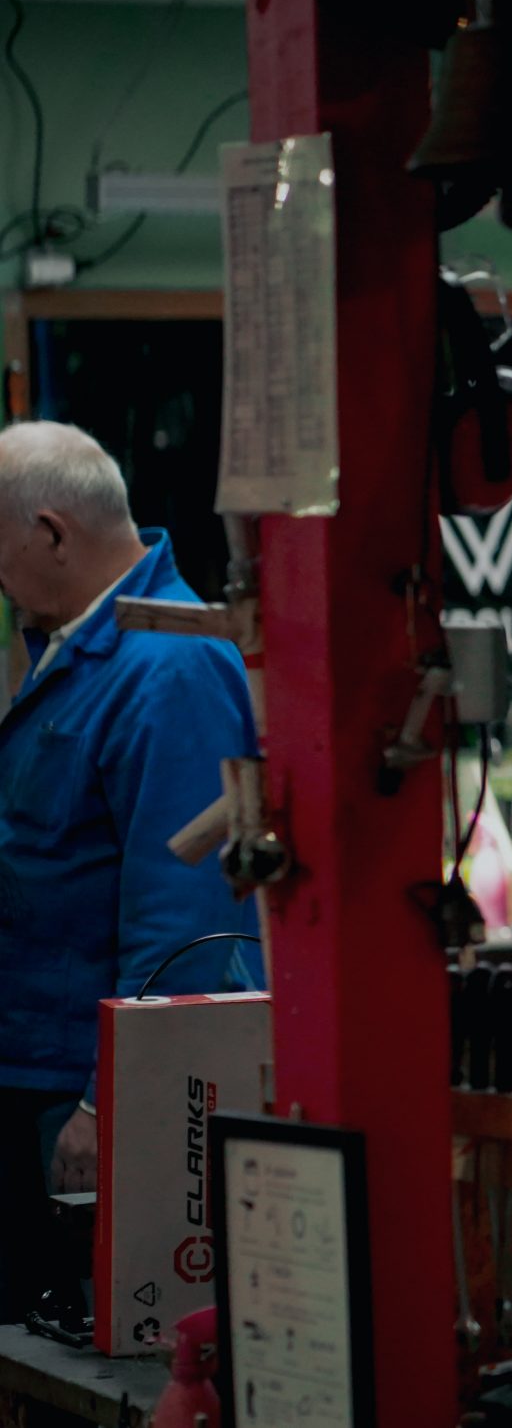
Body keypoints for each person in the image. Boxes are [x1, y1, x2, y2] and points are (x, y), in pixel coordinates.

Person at [0, 423, 259, 1317]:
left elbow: (184, 918)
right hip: (36, 1067)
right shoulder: (84, 649)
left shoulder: (168, 667)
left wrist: (110, 1107)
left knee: (71, 1341)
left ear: (51, 533)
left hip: (76, 1090)